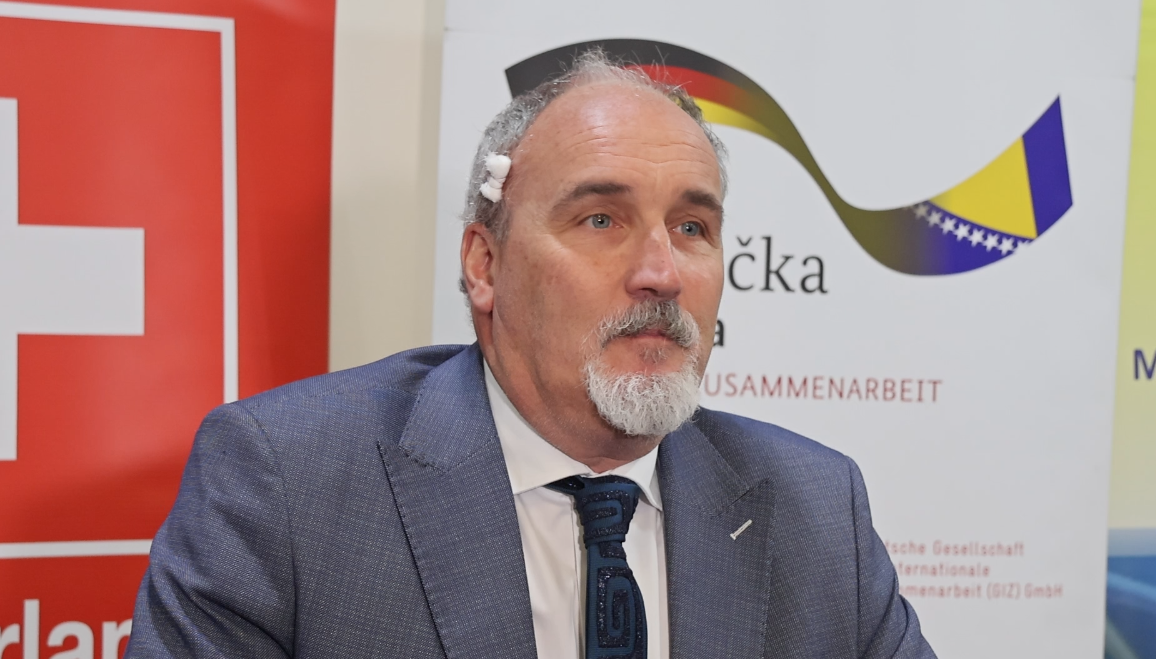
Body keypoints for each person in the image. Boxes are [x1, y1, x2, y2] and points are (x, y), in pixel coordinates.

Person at [127, 51, 936, 658]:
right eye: (601, 220)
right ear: (485, 265)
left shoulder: (815, 506)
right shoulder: (286, 482)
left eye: (692, 227)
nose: (661, 273)